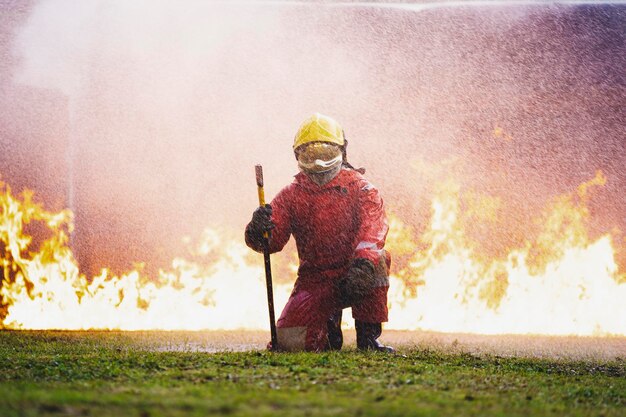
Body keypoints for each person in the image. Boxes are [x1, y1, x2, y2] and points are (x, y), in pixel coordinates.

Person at [245, 113, 393, 352]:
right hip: (315, 280)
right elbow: (271, 242)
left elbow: (372, 232)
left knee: (377, 262)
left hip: (356, 272)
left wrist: (362, 265)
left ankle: (368, 338)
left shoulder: (363, 189)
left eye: (325, 154)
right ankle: (328, 329)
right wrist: (256, 230)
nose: (318, 164)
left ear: (342, 152)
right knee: (289, 344)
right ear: (298, 156)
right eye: (310, 156)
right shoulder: (292, 194)